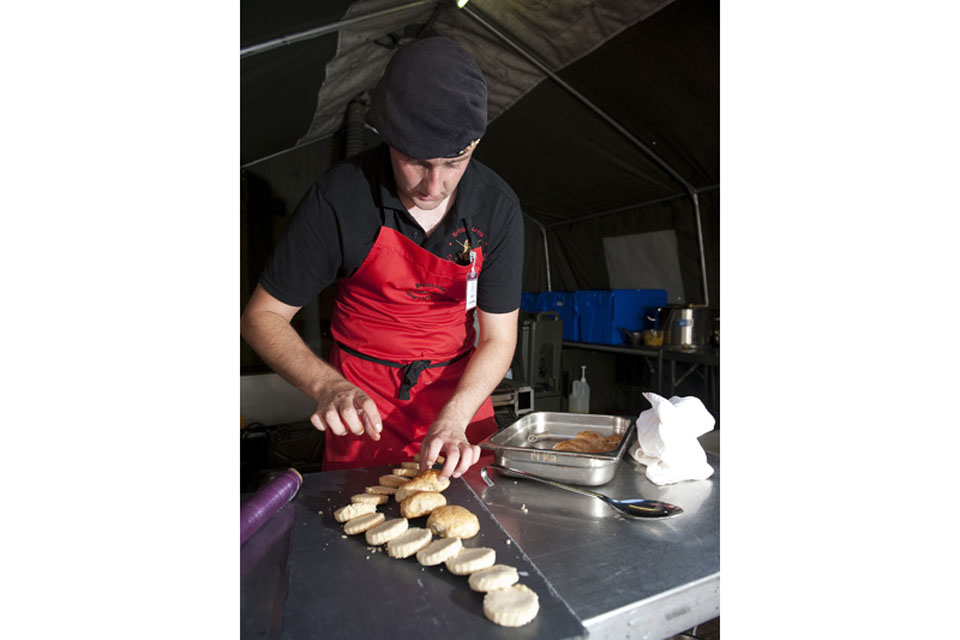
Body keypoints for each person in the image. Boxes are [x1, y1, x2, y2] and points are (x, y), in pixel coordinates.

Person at [240, 37, 523, 482]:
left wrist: (455, 417)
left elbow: (498, 338)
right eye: (415, 161)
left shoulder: (497, 208)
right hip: (363, 405)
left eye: (455, 161)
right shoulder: (340, 200)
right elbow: (262, 316)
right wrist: (326, 385)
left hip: (459, 397)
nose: (434, 186)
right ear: (388, 137)